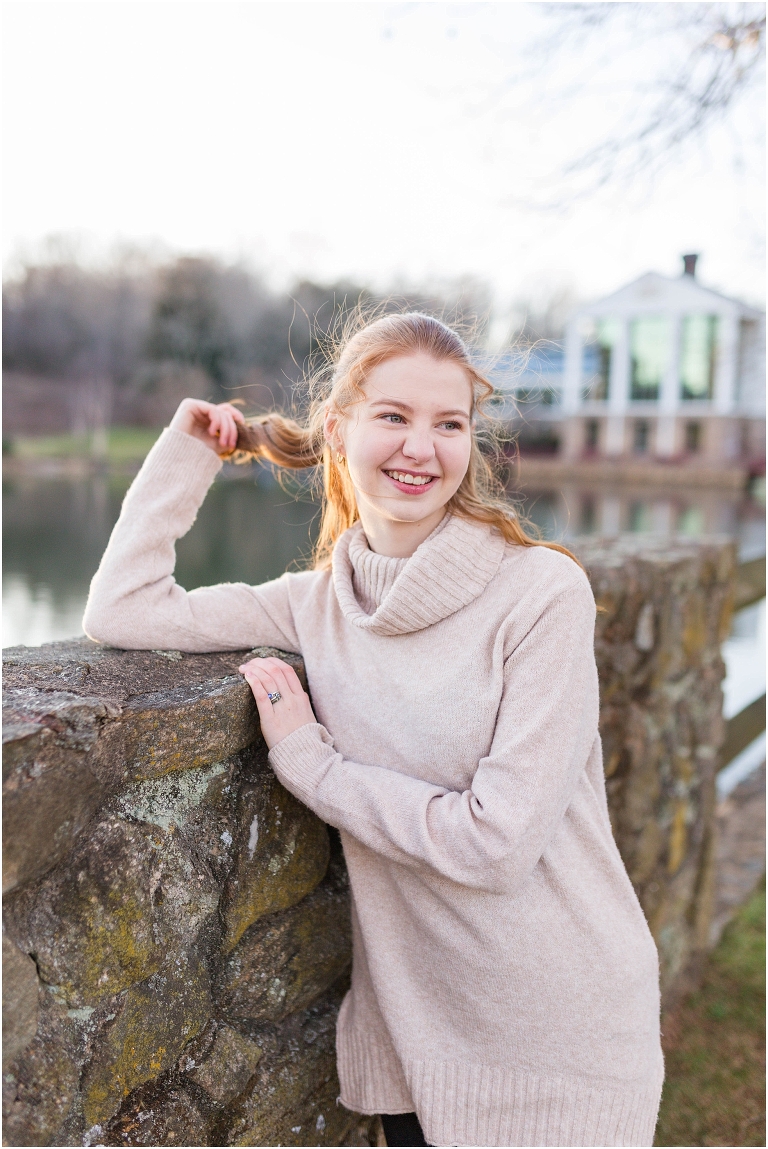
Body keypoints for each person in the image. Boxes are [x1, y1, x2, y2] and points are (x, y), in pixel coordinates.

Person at [83, 312, 663, 1148]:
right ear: (339, 428)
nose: (420, 448)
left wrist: (313, 767)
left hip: (560, 1036)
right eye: (393, 415)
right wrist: (189, 450)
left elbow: (497, 844)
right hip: (417, 1034)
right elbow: (122, 609)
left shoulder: (542, 594)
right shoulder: (315, 603)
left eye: (449, 423)